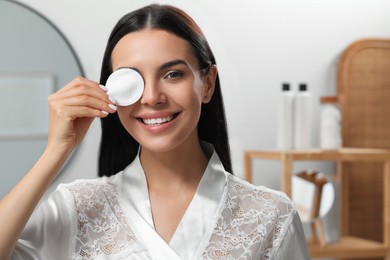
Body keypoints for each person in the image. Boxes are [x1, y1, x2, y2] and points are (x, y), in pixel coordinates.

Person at [0, 4, 309, 260]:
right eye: (131, 79)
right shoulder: (77, 206)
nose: (151, 97)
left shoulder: (272, 215)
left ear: (208, 83)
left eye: (173, 74)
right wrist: (56, 150)